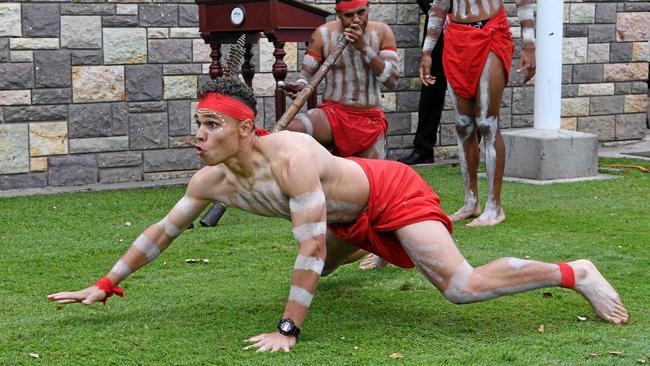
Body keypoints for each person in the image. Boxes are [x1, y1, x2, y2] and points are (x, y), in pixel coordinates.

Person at [48, 77, 628, 353]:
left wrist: (287, 330)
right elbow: (160, 233)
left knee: (460, 286)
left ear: (247, 128)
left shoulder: (293, 158)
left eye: (211, 124)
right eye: (197, 124)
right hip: (347, 219)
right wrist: (104, 284)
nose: (197, 135)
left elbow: (311, 247)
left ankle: (577, 272)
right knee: (320, 270)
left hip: (391, 194)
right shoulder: (210, 180)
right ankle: (372, 254)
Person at [419, 0, 536, 227]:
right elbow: (439, 7)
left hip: (490, 32)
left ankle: (495, 206)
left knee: (487, 123)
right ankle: (471, 201)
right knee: (463, 124)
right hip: (455, 36)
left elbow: (524, 2)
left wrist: (529, 46)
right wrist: (427, 52)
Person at [280, 0, 398, 160]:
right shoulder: (323, 33)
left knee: (371, 177)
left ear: (368, 8)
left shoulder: (382, 32)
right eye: (349, 15)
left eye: (361, 13)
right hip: (333, 114)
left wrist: (364, 48)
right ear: (338, 14)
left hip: (370, 119)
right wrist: (300, 87)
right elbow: (305, 76)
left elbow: (391, 81)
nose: (356, 19)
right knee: (288, 129)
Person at [399, 0, 451, 166]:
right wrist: (437, 11)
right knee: (431, 91)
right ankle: (423, 150)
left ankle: (476, 147)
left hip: (470, 28)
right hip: (438, 30)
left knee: (472, 90)